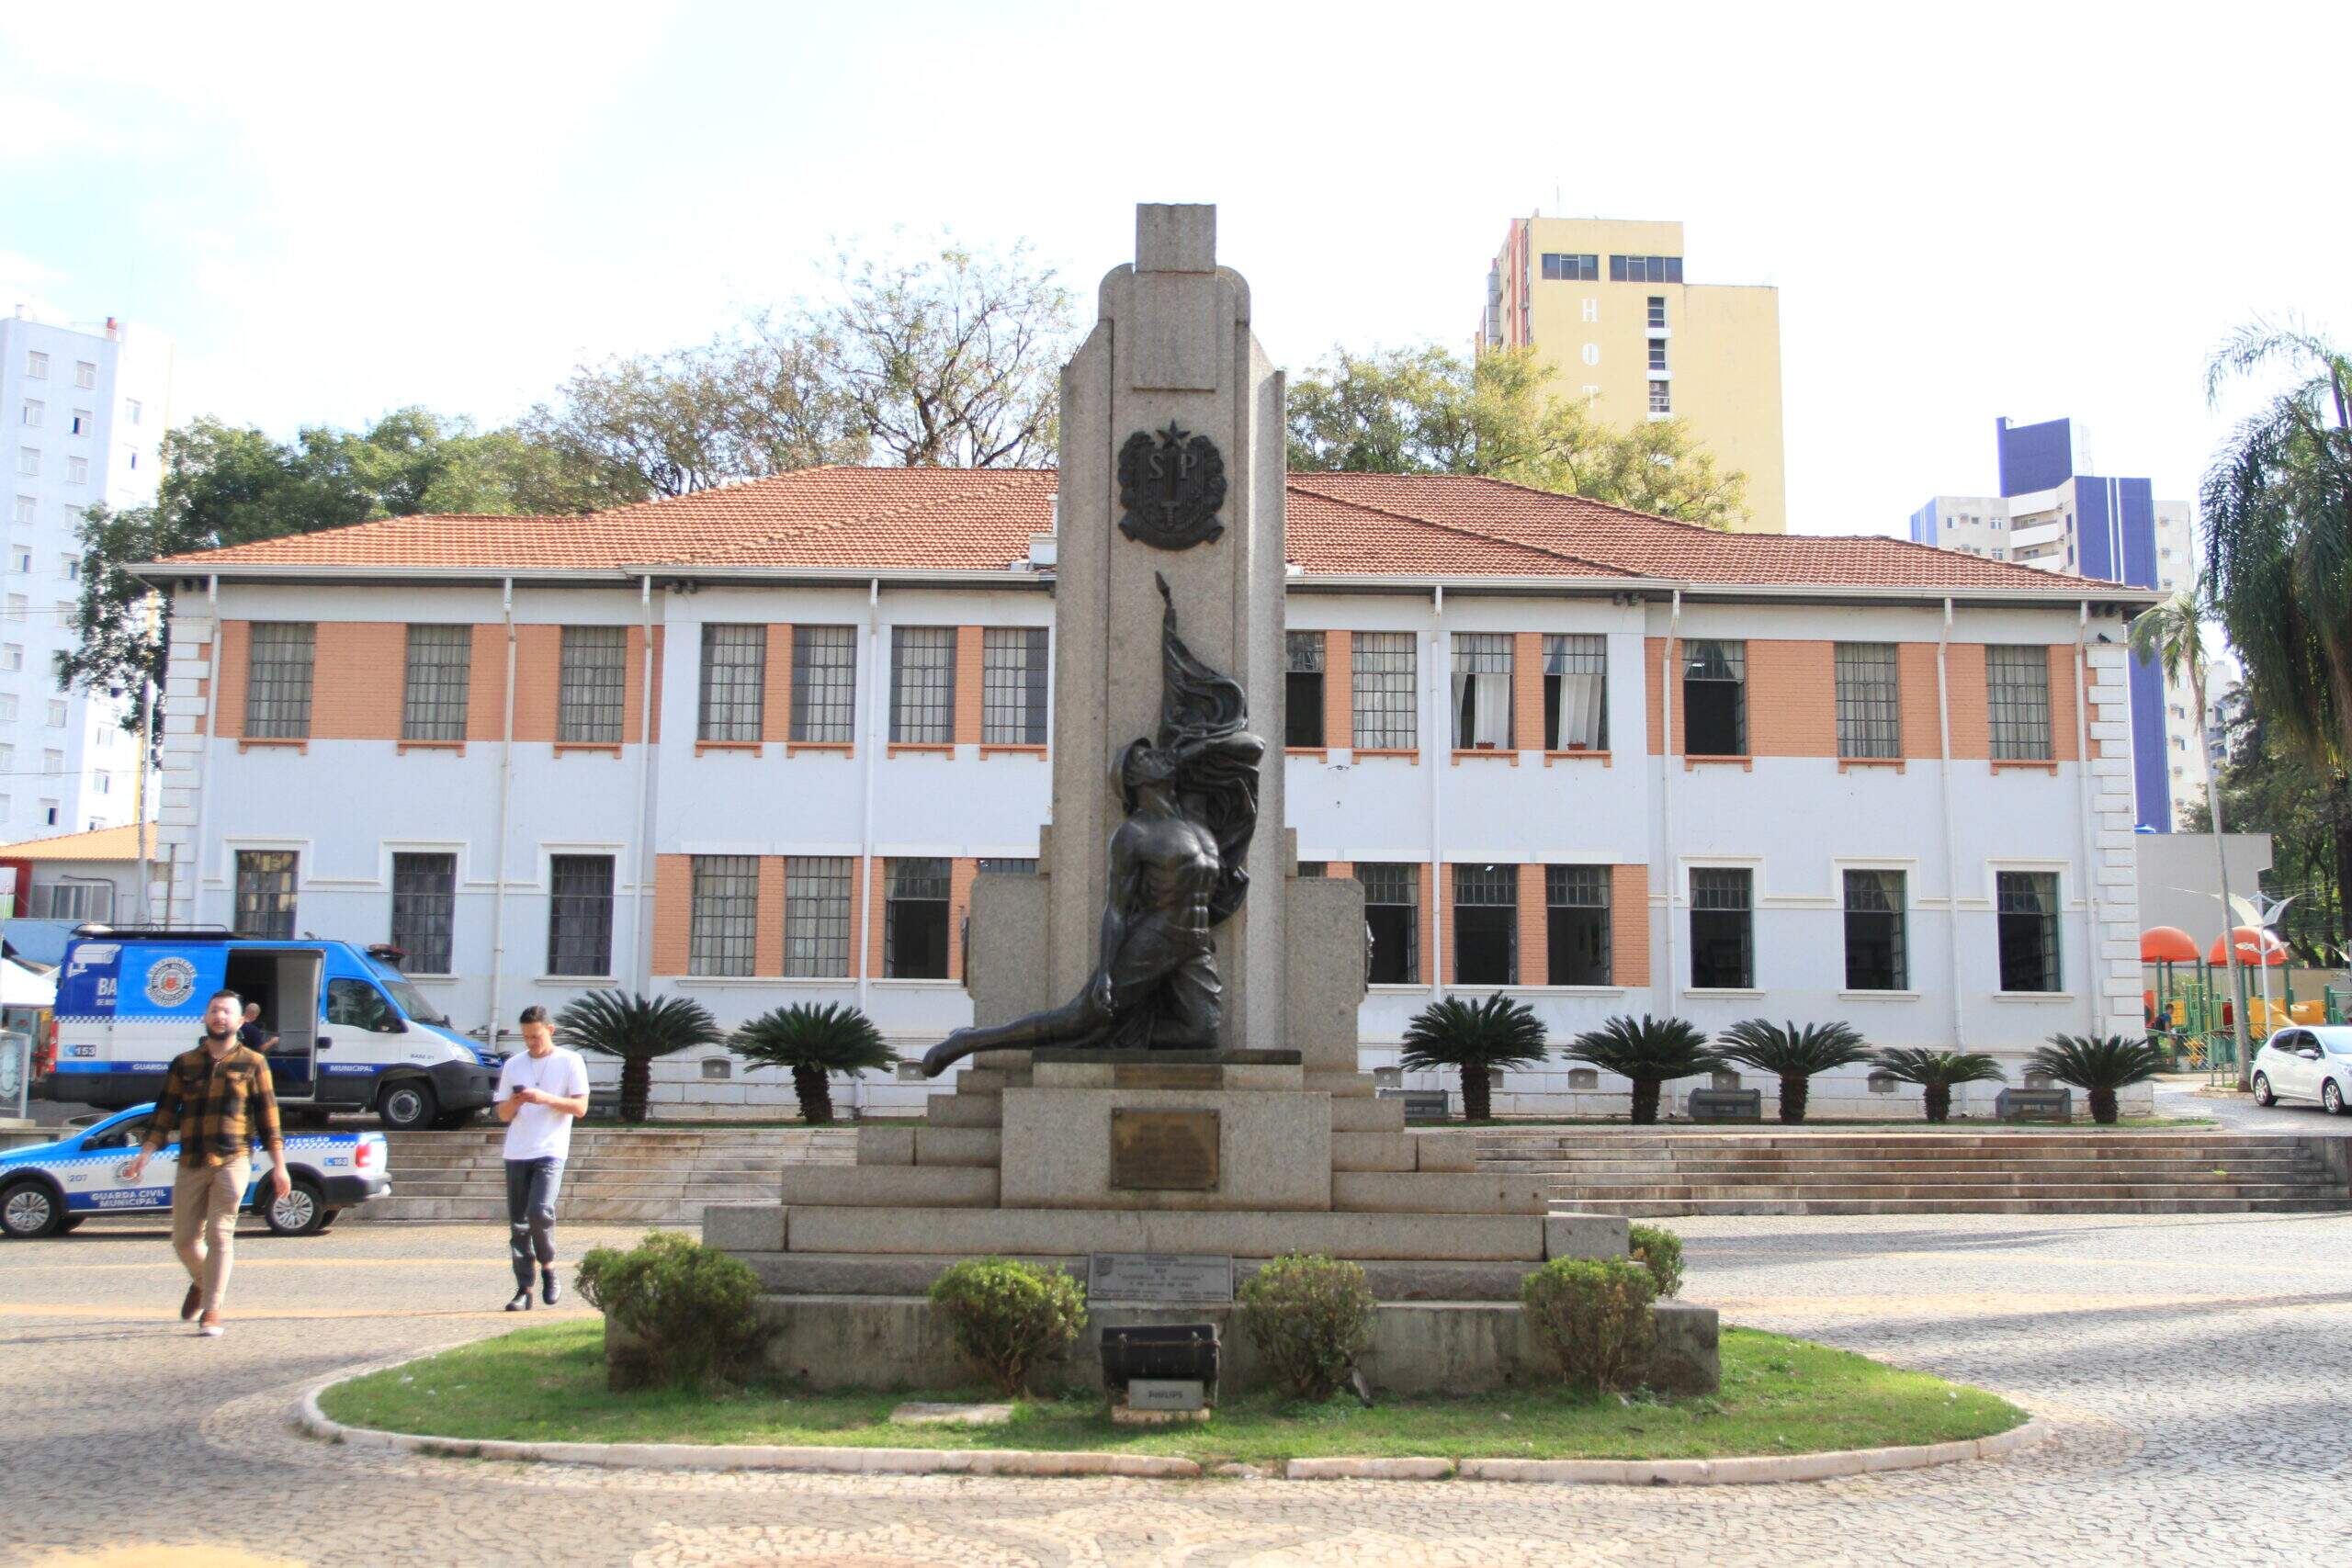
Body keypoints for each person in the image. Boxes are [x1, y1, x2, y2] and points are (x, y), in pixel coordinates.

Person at [122, 988, 290, 1337]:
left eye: (228, 1012)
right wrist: (145, 1153)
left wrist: (280, 1166)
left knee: (220, 1233)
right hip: (191, 1160)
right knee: (184, 1240)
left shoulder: (254, 1063)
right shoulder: (184, 1063)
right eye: (215, 1010)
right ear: (205, 1016)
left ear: (241, 1020)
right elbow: (164, 1114)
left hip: (234, 1159)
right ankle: (201, 1281)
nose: (220, 1017)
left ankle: (212, 1309)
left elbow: (269, 1119)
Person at [494, 1005, 590, 1311]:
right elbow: (502, 1115)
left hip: (550, 1150)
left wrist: (544, 1098)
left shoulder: (570, 1061)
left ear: (549, 1031)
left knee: (539, 1211)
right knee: (518, 1225)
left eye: (535, 1036)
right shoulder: (514, 1065)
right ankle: (524, 1289)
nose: (531, 1043)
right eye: (525, 1038)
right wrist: (516, 1101)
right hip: (517, 1151)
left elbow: (580, 1108)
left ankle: (548, 1267)